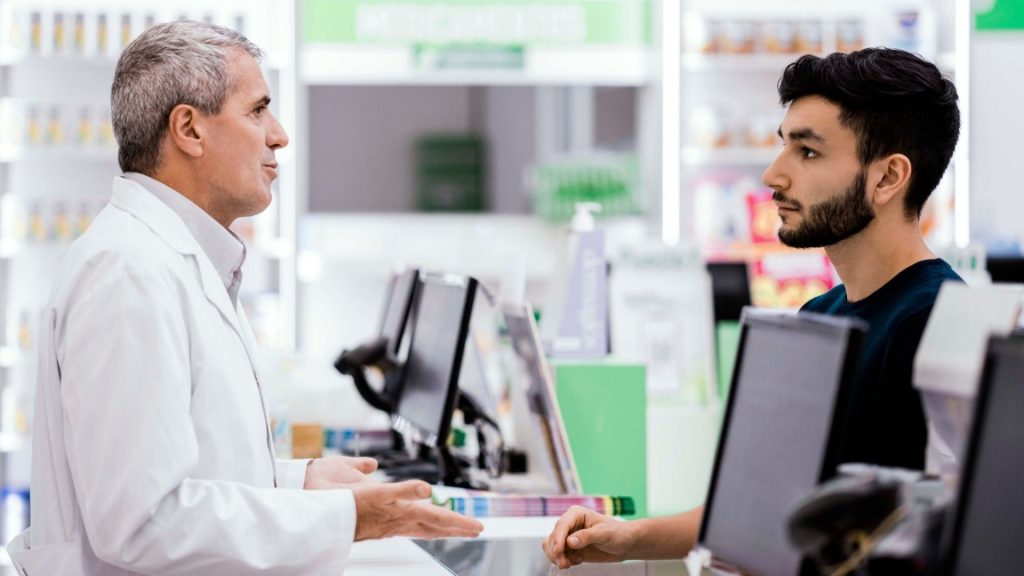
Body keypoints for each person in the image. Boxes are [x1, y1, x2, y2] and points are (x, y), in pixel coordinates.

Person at [10, 21, 481, 575]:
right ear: (189, 129)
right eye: (257, 111)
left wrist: (297, 482)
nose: (278, 135)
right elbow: (142, 522)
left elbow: (186, 474)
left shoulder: (174, 259)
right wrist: (347, 518)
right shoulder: (130, 272)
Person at [543, 47, 962, 570]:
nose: (772, 175)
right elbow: (761, 507)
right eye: (783, 146)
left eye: (807, 152)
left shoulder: (935, 324)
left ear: (887, 177)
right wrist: (632, 537)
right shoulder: (821, 315)